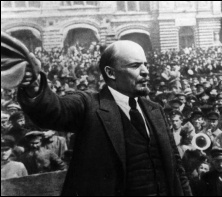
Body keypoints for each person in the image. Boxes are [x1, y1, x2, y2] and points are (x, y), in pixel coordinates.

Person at [17, 41, 191, 195]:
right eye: (135, 65)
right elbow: (55, 111)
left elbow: (177, 167)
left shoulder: (156, 110)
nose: (145, 71)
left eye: (145, 64)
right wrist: (34, 86)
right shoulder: (89, 105)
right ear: (111, 72)